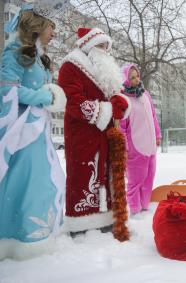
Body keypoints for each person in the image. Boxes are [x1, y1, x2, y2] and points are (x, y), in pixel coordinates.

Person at [0, 1, 67, 268]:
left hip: (38, 130)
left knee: (42, 181)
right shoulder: (14, 52)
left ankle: (32, 239)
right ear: (38, 26)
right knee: (32, 182)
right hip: (20, 134)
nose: (54, 33)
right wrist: (45, 96)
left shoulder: (40, 57)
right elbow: (8, 92)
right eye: (52, 28)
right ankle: (15, 239)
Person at [58, 27, 130, 236]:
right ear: (89, 46)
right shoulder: (71, 66)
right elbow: (73, 100)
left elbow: (120, 96)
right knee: (83, 175)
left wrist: (121, 104)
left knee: (106, 174)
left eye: (107, 46)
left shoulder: (104, 70)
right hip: (82, 135)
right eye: (100, 45)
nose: (105, 50)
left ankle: (106, 216)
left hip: (105, 135)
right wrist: (107, 110)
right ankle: (82, 223)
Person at [120, 64, 161, 214]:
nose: (136, 79)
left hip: (150, 147)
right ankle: (135, 210)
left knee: (149, 179)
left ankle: (144, 207)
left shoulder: (145, 95)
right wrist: (125, 147)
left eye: (137, 75)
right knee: (136, 181)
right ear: (125, 80)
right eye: (132, 77)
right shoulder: (124, 100)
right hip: (135, 148)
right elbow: (121, 127)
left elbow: (153, 117)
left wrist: (157, 135)